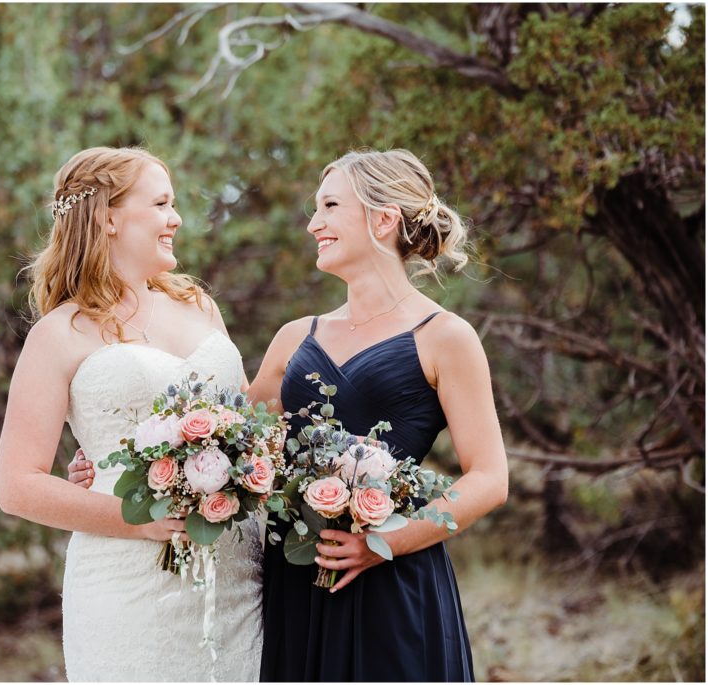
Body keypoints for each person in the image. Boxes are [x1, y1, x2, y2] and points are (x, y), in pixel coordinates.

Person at [70, 148, 508, 682]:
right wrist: (115, 465)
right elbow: (227, 444)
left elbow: (489, 478)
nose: (312, 223)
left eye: (328, 206)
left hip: (391, 578)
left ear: (383, 219)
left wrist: (384, 544)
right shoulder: (295, 338)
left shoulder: (446, 337)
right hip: (295, 581)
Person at [0, 147, 263, 682]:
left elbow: (249, 427)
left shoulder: (200, 308)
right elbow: (17, 485)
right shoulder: (60, 333)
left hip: (239, 576)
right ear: (107, 217)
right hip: (129, 586)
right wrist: (137, 521)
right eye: (161, 203)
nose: (177, 218)